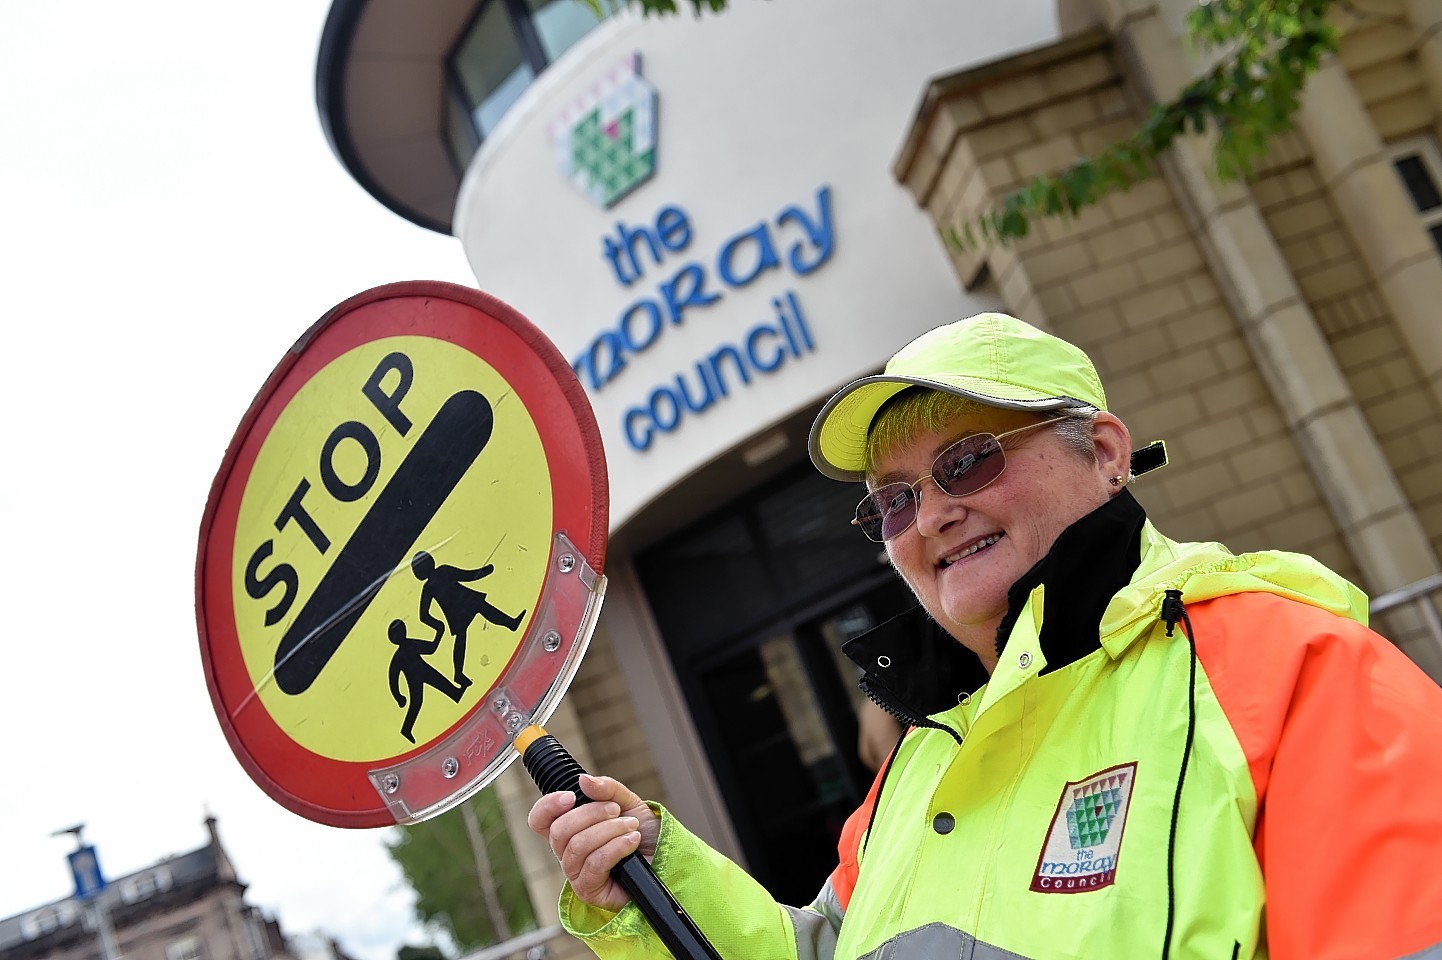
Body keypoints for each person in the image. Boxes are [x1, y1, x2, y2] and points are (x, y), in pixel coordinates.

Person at [527, 313, 1442, 959]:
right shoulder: (914, 770)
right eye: (893, 501)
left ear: (1107, 454)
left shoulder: (1292, 670)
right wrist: (654, 882)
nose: (931, 515)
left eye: (967, 459)